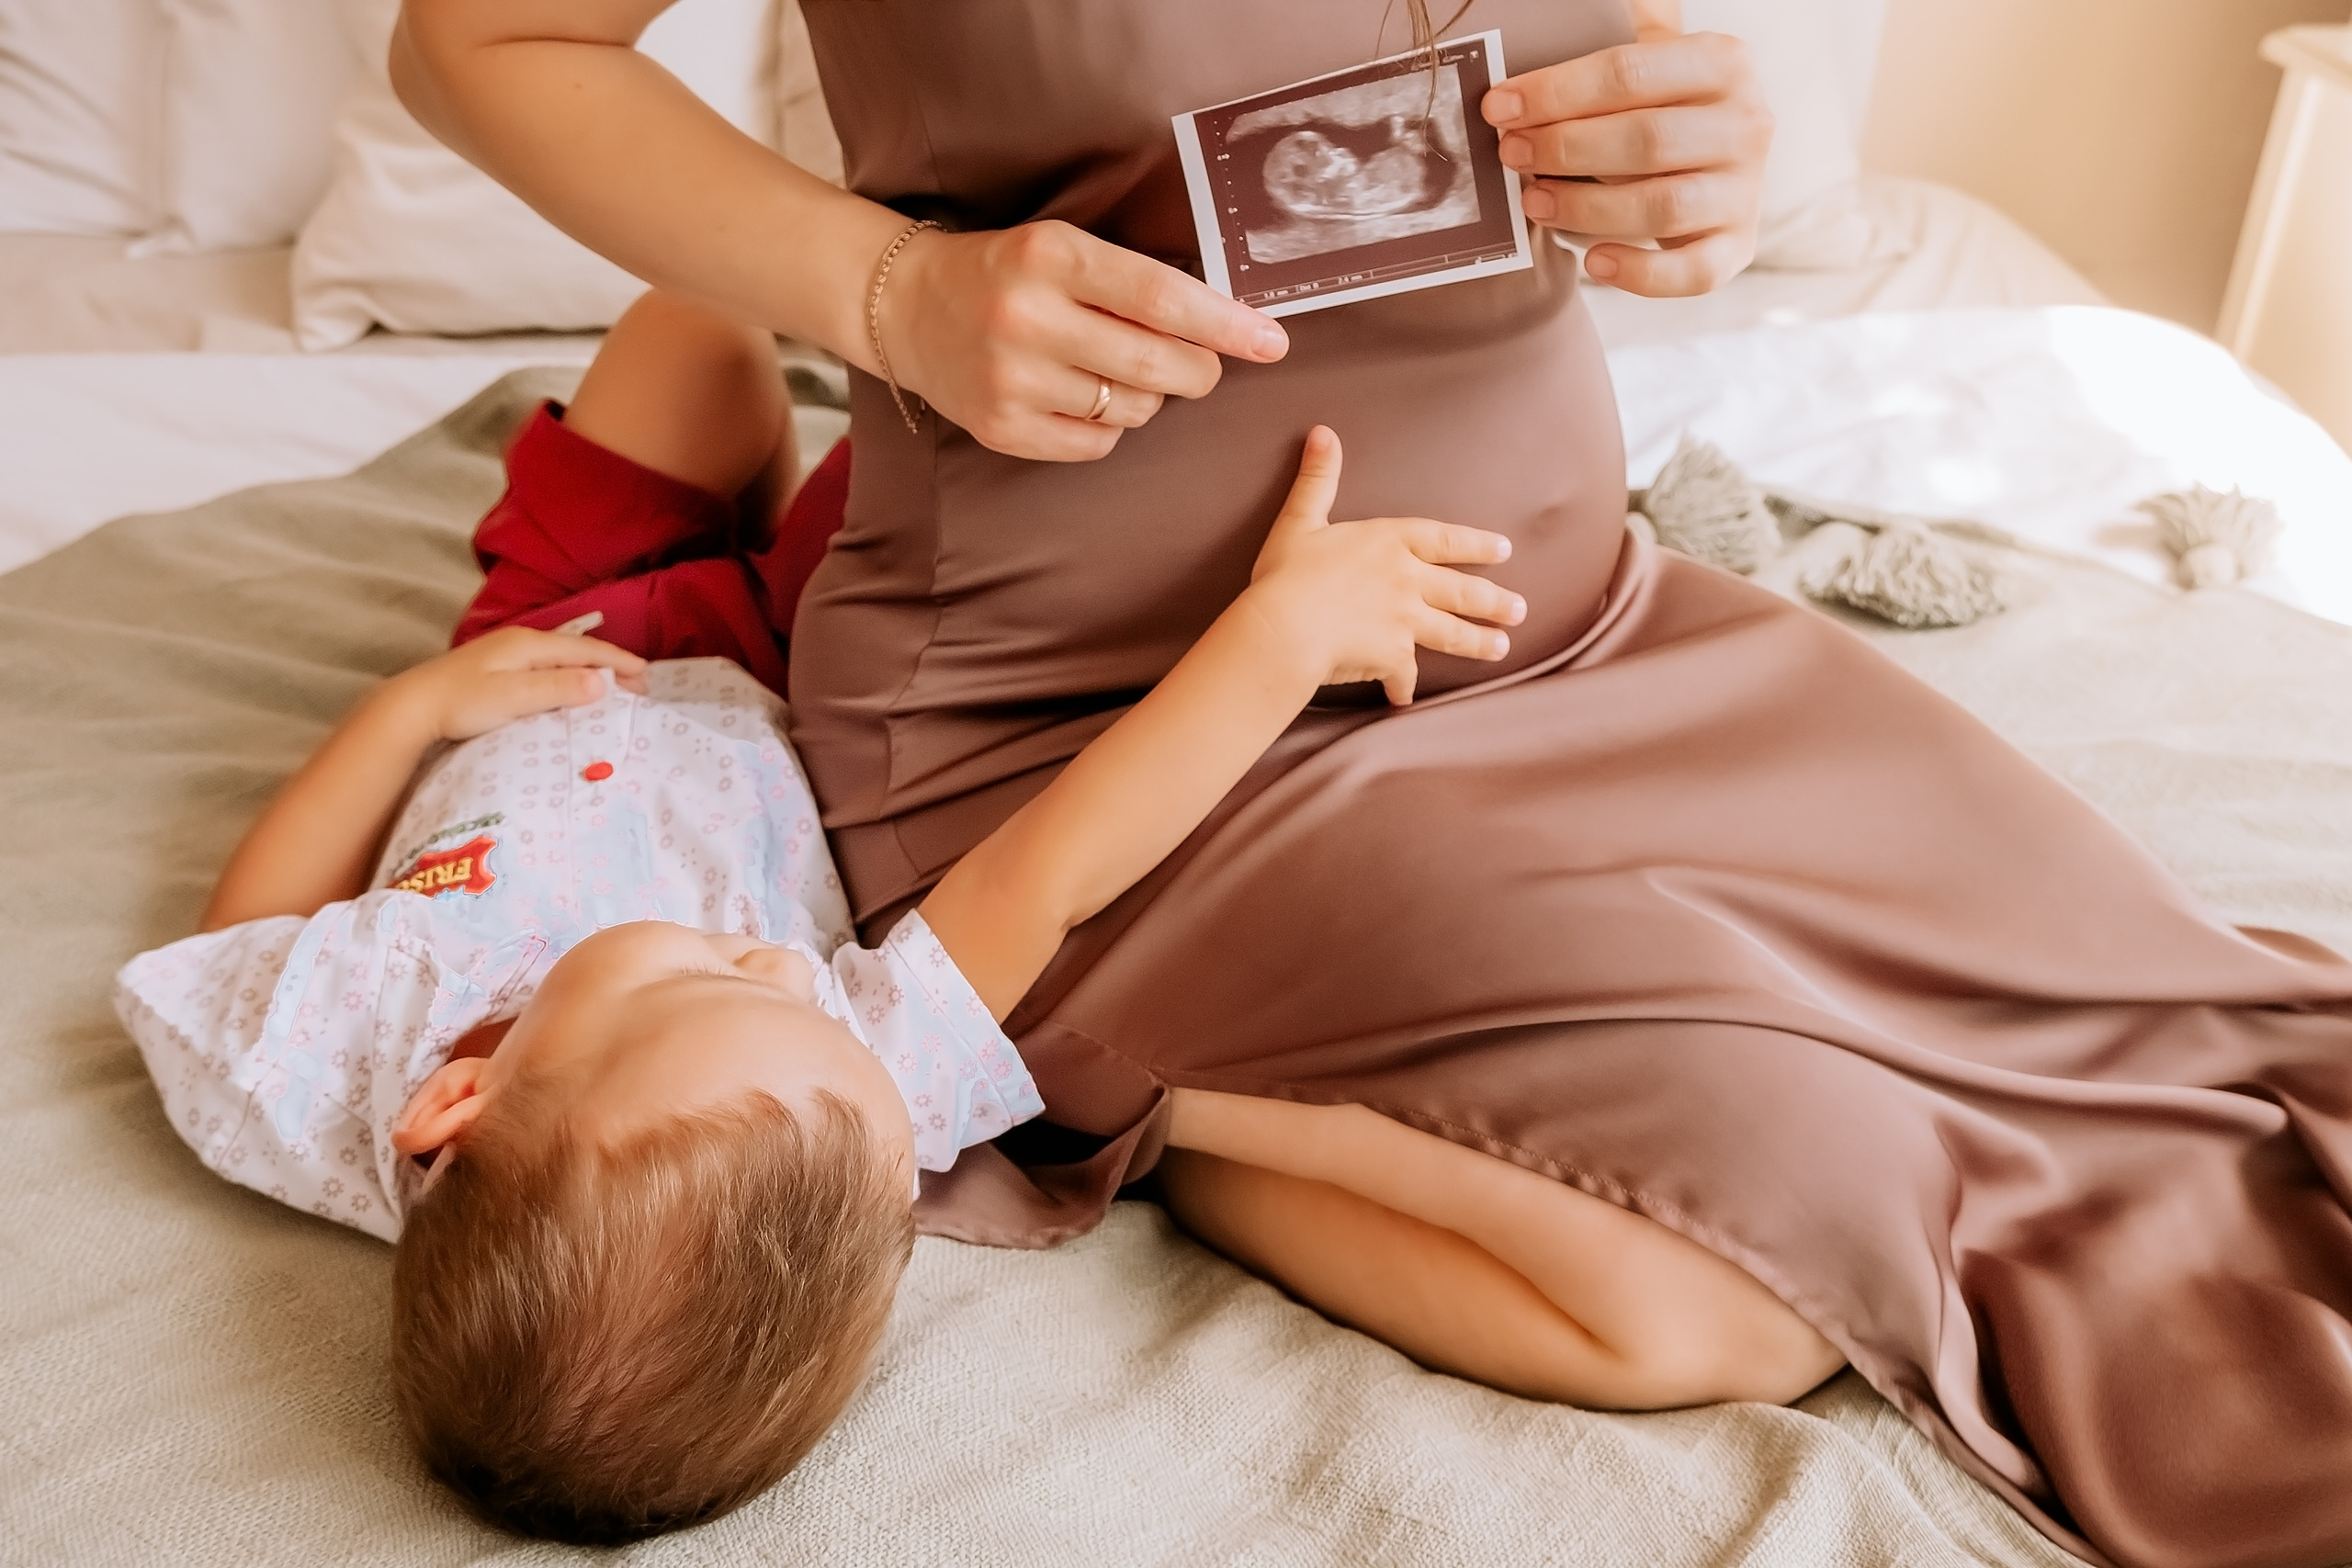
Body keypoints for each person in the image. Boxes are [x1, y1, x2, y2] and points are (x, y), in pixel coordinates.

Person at [397, 3, 2352, 1565]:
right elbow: (480, 41)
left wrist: (1689, 158)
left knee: (2178, 1026)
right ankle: (1137, 1093)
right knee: (1810, 1206)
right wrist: (886, 294)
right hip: (1097, 738)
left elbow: (1598, 86)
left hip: (1585, 617)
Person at [113, 389, 1530, 1543]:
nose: (782, 966)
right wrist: (1281, 637)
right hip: (769, 663)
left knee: (690, 339)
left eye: (710, 984)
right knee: (936, 442)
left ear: (456, 1108)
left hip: (549, 644)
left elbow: (242, 933)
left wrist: (407, 709)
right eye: (799, 993)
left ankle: (730, 428)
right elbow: (1052, 864)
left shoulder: (306, 1092)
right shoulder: (846, 1089)